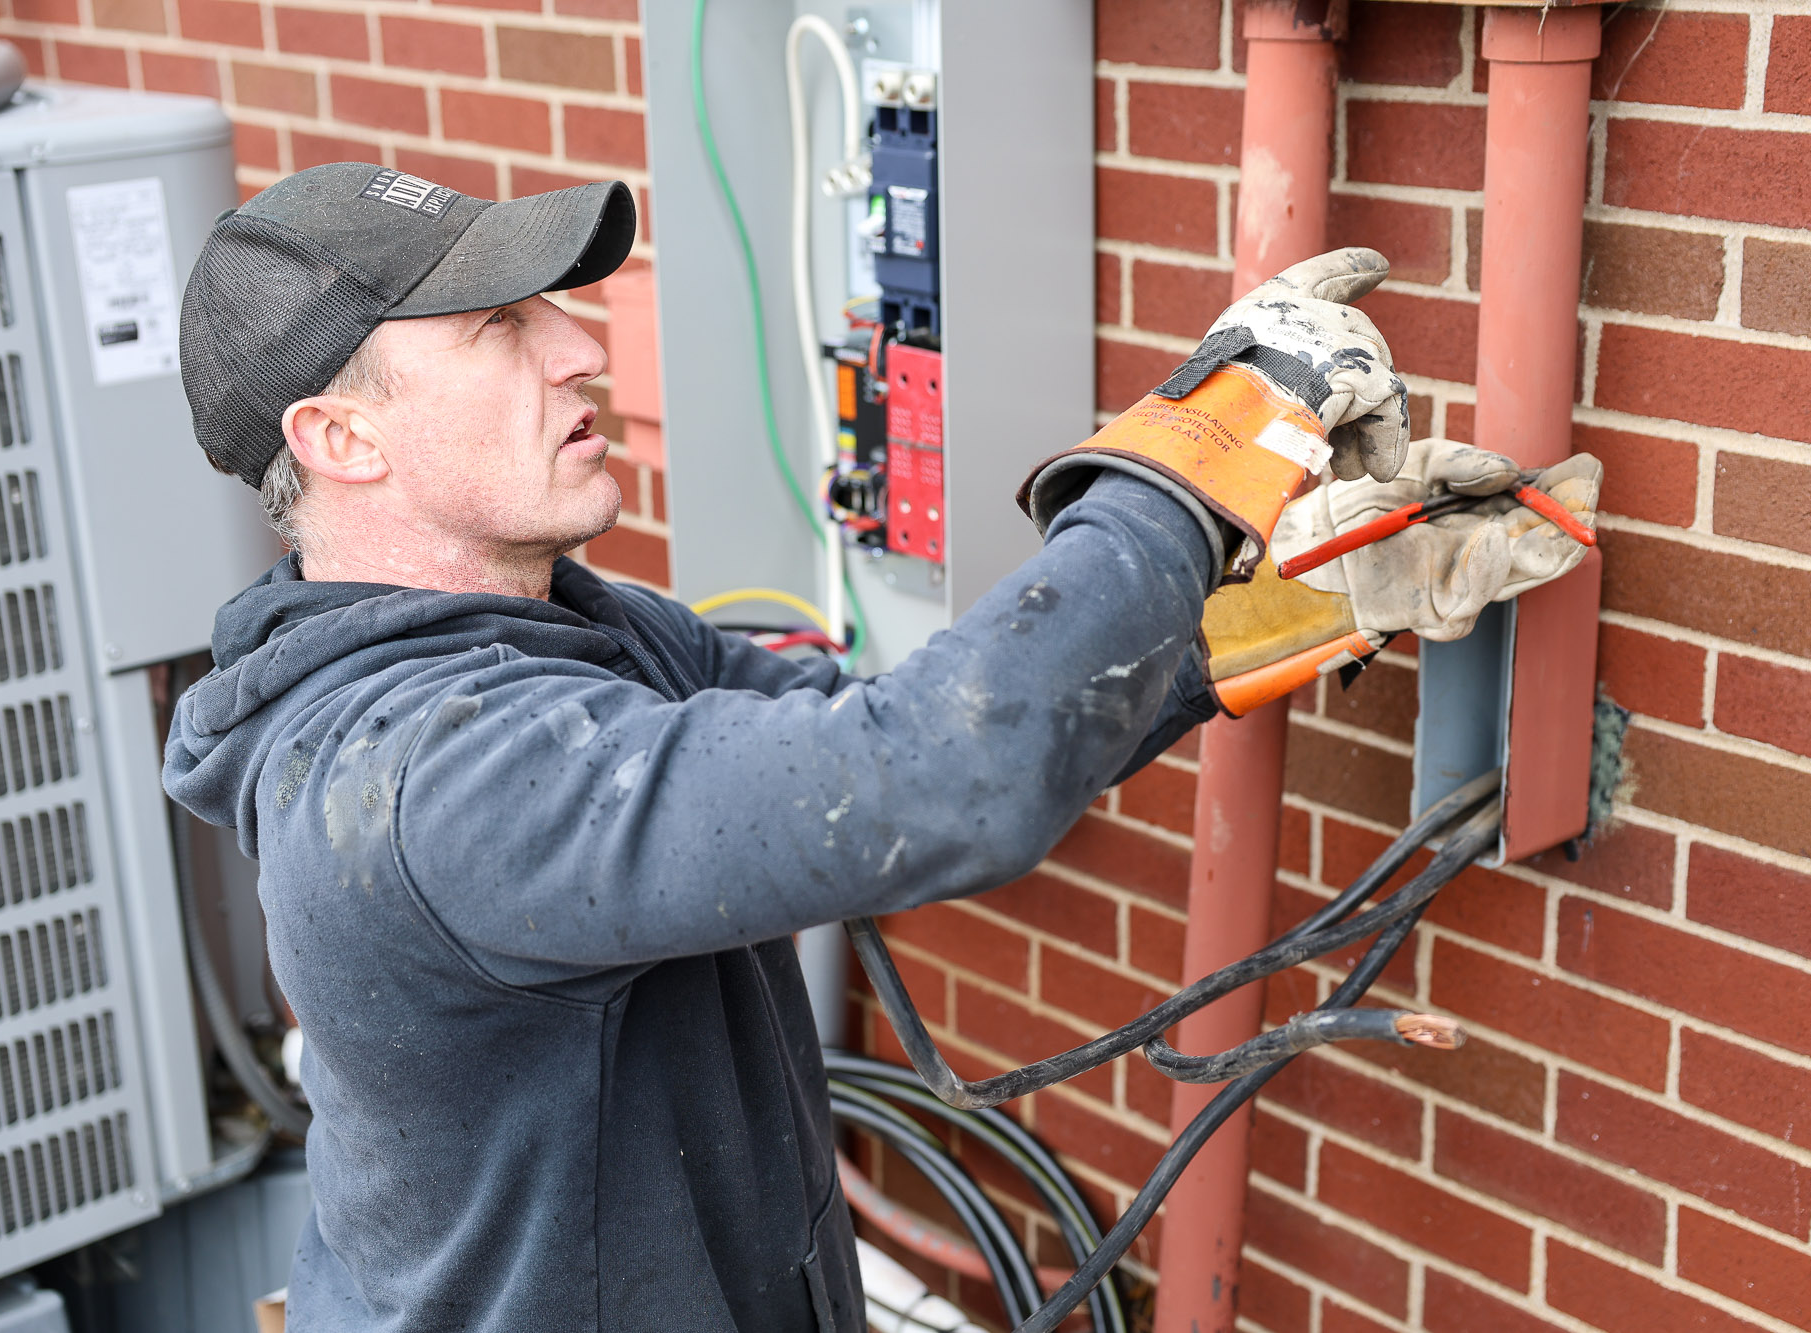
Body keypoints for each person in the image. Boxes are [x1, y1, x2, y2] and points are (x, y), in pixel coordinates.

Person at [163, 165, 1598, 1333]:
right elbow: (940, 777)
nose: (580, 343)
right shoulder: (426, 774)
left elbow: (887, 732)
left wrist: (1279, 606)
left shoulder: (572, 638)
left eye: (551, 304)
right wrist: (1213, 446)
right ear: (340, 439)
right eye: (495, 328)